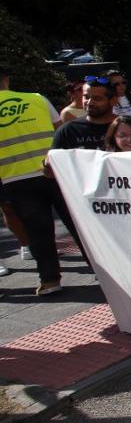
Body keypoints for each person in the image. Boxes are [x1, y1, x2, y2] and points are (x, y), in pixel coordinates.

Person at [0, 66, 71, 295]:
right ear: (6, 80)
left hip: (15, 178)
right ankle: (105, 272)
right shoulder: (37, 99)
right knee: (77, 224)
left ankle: (50, 281)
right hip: (54, 170)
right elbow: (60, 132)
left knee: (38, 230)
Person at [52, 77, 116, 150]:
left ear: (114, 100)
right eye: (86, 97)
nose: (90, 103)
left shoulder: (123, 127)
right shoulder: (68, 131)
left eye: (97, 98)